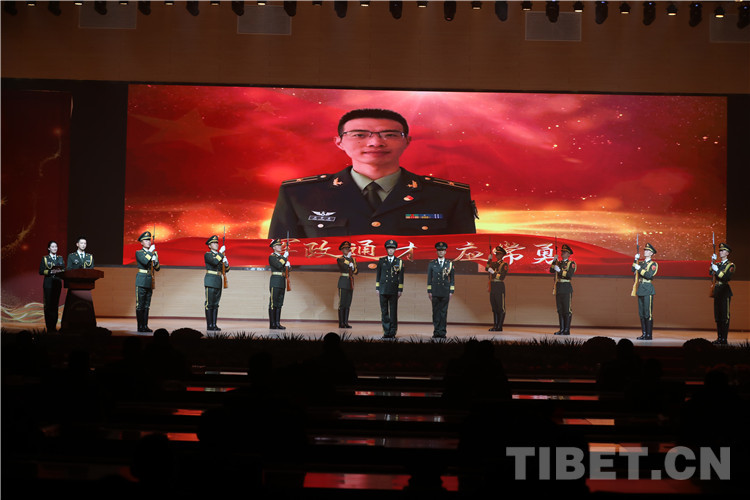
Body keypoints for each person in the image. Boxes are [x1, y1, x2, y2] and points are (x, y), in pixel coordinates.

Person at [268, 108, 477, 238]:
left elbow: (464, 260)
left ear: (407, 141)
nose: (375, 142)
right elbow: (278, 258)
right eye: (359, 135)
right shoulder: (299, 194)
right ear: (339, 142)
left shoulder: (447, 196)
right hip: (328, 294)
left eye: (390, 135)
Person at [376, 239, 404, 339]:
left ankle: (392, 332)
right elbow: (378, 275)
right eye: (389, 248)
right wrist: (377, 288)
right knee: (384, 312)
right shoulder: (381, 261)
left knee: (393, 312)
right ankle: (386, 331)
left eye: (392, 248)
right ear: (386, 250)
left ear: (395, 249)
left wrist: (400, 289)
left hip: (393, 289)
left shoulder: (399, 261)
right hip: (383, 289)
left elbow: (401, 277)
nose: (391, 250)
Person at [427, 241, 454, 338]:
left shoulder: (449, 264)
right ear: (436, 252)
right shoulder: (432, 264)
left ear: (445, 252)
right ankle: (436, 331)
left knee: (443, 312)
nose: (441, 252)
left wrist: (451, 291)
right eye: (439, 250)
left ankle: (442, 332)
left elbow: (452, 279)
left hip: (445, 291)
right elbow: (429, 279)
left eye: (442, 250)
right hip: (435, 291)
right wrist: (429, 291)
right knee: (435, 312)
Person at [710, 242, 735, 345]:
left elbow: (725, 277)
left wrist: (717, 269)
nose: (720, 252)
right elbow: (710, 272)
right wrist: (712, 261)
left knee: (725, 316)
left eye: (723, 250)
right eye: (720, 250)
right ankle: (719, 338)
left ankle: (724, 339)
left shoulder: (730, 265)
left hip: (724, 291)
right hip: (717, 292)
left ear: (727, 253)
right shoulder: (718, 264)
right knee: (718, 316)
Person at [632, 242, 658, 340]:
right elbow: (632, 269)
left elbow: (649, 275)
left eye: (647, 250)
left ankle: (649, 335)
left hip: (647, 289)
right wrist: (635, 259)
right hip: (641, 288)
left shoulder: (653, 264)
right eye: (645, 250)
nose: (645, 251)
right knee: (642, 313)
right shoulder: (641, 263)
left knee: (648, 313)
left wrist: (639, 269)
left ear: (651, 253)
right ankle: (644, 334)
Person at [135, 231, 160, 333]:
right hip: (141, 281)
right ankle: (140, 326)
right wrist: (150, 252)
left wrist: (155, 260)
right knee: (140, 305)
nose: (148, 242)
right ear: (141, 242)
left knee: (146, 305)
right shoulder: (139, 253)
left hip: (149, 281)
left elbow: (157, 268)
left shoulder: (153, 253)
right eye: (146, 240)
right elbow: (144, 261)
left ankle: (145, 326)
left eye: (149, 240)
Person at [204, 235, 229, 332]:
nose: (216, 244)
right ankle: (209, 325)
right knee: (209, 304)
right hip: (210, 281)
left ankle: (214, 325)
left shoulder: (219, 256)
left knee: (215, 304)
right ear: (209, 245)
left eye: (217, 243)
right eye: (214, 243)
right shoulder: (208, 255)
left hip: (218, 281)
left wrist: (226, 263)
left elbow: (225, 270)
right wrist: (221, 254)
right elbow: (214, 262)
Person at [39, 240, 65, 332]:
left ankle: (54, 326)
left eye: (56, 247)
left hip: (57, 284)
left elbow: (63, 269)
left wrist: (60, 271)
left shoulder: (60, 258)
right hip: (48, 284)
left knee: (55, 305)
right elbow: (41, 271)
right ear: (49, 248)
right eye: (53, 247)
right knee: (48, 306)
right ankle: (49, 327)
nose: (55, 248)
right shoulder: (45, 258)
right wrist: (51, 271)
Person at [550, 243, 576, 336]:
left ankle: (566, 330)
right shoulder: (559, 263)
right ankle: (561, 329)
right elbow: (551, 270)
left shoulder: (571, 263)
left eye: (564, 252)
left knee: (567, 309)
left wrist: (560, 271)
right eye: (562, 252)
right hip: (559, 287)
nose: (562, 253)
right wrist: (554, 261)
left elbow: (569, 275)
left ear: (568, 254)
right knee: (560, 310)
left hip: (566, 287)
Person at [486, 245, 508, 332]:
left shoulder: (504, 264)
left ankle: (499, 326)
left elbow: (501, 277)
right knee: (494, 307)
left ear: (502, 255)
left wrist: (493, 273)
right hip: (493, 286)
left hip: (499, 286)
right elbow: (487, 268)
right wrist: (489, 260)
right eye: (496, 254)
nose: (497, 255)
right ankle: (495, 326)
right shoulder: (494, 263)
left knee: (500, 307)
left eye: (498, 254)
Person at [268, 238, 290, 330]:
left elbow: (286, 271)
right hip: (275, 281)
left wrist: (288, 266)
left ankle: (277, 323)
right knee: (273, 303)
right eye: (278, 245)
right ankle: (272, 324)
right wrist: (284, 257)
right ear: (273, 247)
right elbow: (278, 265)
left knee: (279, 303)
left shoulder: (281, 258)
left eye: (280, 245)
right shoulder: (272, 257)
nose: (280, 247)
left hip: (282, 282)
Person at [336, 241, 358, 329]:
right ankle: (341, 323)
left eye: (348, 248)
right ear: (342, 250)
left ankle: (346, 322)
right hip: (343, 282)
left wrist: (353, 267)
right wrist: (348, 260)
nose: (347, 250)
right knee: (342, 304)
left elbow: (356, 271)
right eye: (345, 249)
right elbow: (343, 267)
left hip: (350, 282)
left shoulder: (353, 259)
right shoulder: (340, 259)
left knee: (348, 304)